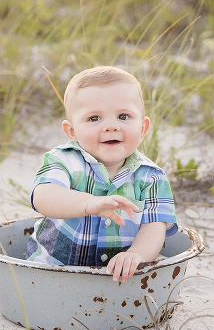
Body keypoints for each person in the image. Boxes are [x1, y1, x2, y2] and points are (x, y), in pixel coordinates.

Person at [25, 66, 177, 283]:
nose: (111, 126)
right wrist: (88, 203)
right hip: (52, 270)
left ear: (143, 129)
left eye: (123, 116)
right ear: (72, 132)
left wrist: (136, 255)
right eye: (94, 118)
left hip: (115, 276)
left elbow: (155, 225)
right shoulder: (65, 160)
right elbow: (43, 196)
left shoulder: (152, 177)